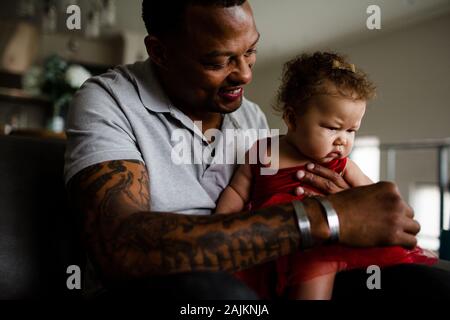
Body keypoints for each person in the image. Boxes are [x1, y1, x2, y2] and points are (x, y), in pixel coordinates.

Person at [64, 0, 450, 299]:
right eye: (219, 60)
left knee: (424, 285)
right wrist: (324, 217)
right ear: (160, 52)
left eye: (250, 52)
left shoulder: (247, 116)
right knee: (223, 299)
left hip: (266, 278)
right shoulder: (109, 100)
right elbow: (121, 248)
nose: (246, 74)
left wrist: (364, 214)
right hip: (159, 291)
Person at [215, 51, 438, 299]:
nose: (343, 140)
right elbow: (236, 190)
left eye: (352, 130)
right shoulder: (263, 151)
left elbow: (375, 199)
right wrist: (220, 224)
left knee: (317, 264)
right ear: (292, 119)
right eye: (332, 128)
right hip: (270, 240)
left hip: (321, 245)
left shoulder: (342, 166)